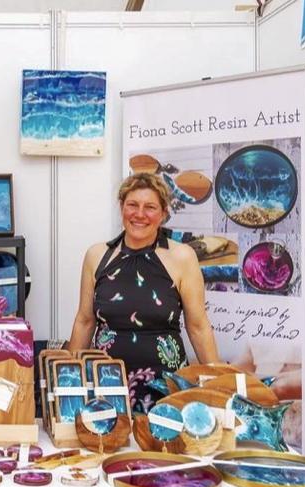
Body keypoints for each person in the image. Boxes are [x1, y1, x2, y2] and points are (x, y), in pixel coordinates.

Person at [67, 172, 219, 413]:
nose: (139, 214)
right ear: (121, 207)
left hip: (165, 389)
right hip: (106, 385)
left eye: (150, 207)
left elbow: (198, 326)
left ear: (163, 213)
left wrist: (218, 382)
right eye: (132, 205)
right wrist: (68, 382)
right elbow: (85, 321)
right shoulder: (97, 256)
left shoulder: (182, 257)